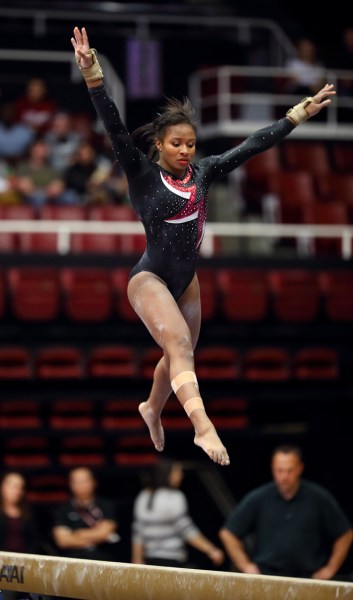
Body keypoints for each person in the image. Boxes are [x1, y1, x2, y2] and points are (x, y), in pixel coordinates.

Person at [71, 26, 335, 467]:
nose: (186, 151)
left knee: (180, 352)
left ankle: (152, 407)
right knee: (178, 345)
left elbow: (251, 146)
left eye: (191, 144)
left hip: (186, 281)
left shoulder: (203, 172)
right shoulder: (140, 172)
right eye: (177, 144)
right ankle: (202, 426)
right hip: (149, 279)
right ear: (159, 144)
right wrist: (93, 73)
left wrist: (297, 115)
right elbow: (113, 125)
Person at [219, 444, 353, 580]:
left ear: (300, 468)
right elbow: (228, 533)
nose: (284, 477)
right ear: (272, 469)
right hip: (268, 577)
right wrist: (247, 566)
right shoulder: (260, 497)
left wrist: (330, 569)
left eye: (290, 471)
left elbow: (345, 533)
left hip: (309, 578)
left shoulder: (318, 498)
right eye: (280, 471)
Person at [131, 458, 225, 568]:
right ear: (167, 474)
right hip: (172, 561)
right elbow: (187, 530)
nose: (181, 475)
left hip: (150, 561)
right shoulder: (175, 497)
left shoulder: (143, 496)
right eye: (177, 471)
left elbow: (138, 533)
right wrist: (211, 550)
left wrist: (136, 559)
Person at [51, 466, 122, 562]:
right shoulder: (62, 509)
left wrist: (77, 533)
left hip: (103, 558)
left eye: (84, 481)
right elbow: (63, 541)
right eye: (76, 482)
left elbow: (105, 533)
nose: (81, 485)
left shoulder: (106, 506)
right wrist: (95, 536)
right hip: (73, 559)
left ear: (94, 482)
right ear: (70, 484)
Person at [0, 471, 43, 600]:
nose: (17, 490)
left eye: (20, 487)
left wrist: (28, 561)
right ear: (2, 487)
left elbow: (35, 540)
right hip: (2, 564)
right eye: (13, 486)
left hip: (25, 564)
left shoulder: (28, 512)